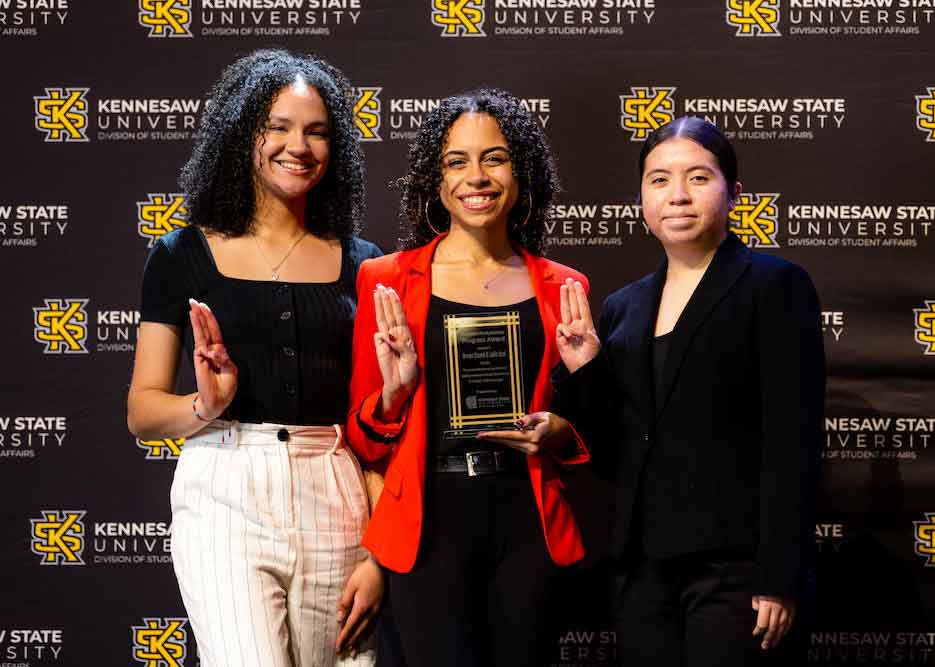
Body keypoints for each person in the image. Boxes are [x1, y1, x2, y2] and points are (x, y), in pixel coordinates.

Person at [126, 49, 383, 667]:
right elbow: (142, 410)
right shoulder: (179, 254)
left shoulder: (365, 262)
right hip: (225, 488)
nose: (299, 145)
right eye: (279, 127)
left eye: (317, 131)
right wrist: (205, 404)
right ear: (245, 135)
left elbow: (379, 423)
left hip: (336, 485)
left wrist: (379, 553)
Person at [554, 116, 825, 666]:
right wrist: (585, 370)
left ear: (734, 194)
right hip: (641, 570)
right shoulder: (623, 309)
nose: (677, 195)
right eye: (659, 180)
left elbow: (793, 443)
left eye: (698, 177)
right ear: (641, 201)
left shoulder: (773, 285)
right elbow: (613, 450)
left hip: (737, 571)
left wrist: (780, 575)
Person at [347, 88, 590, 667]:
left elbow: (589, 421)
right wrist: (396, 393)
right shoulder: (385, 281)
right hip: (429, 521)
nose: (476, 177)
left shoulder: (564, 285)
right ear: (435, 181)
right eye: (456, 161)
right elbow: (361, 435)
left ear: (520, 172)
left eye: (495, 158)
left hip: (527, 519)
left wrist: (558, 431)